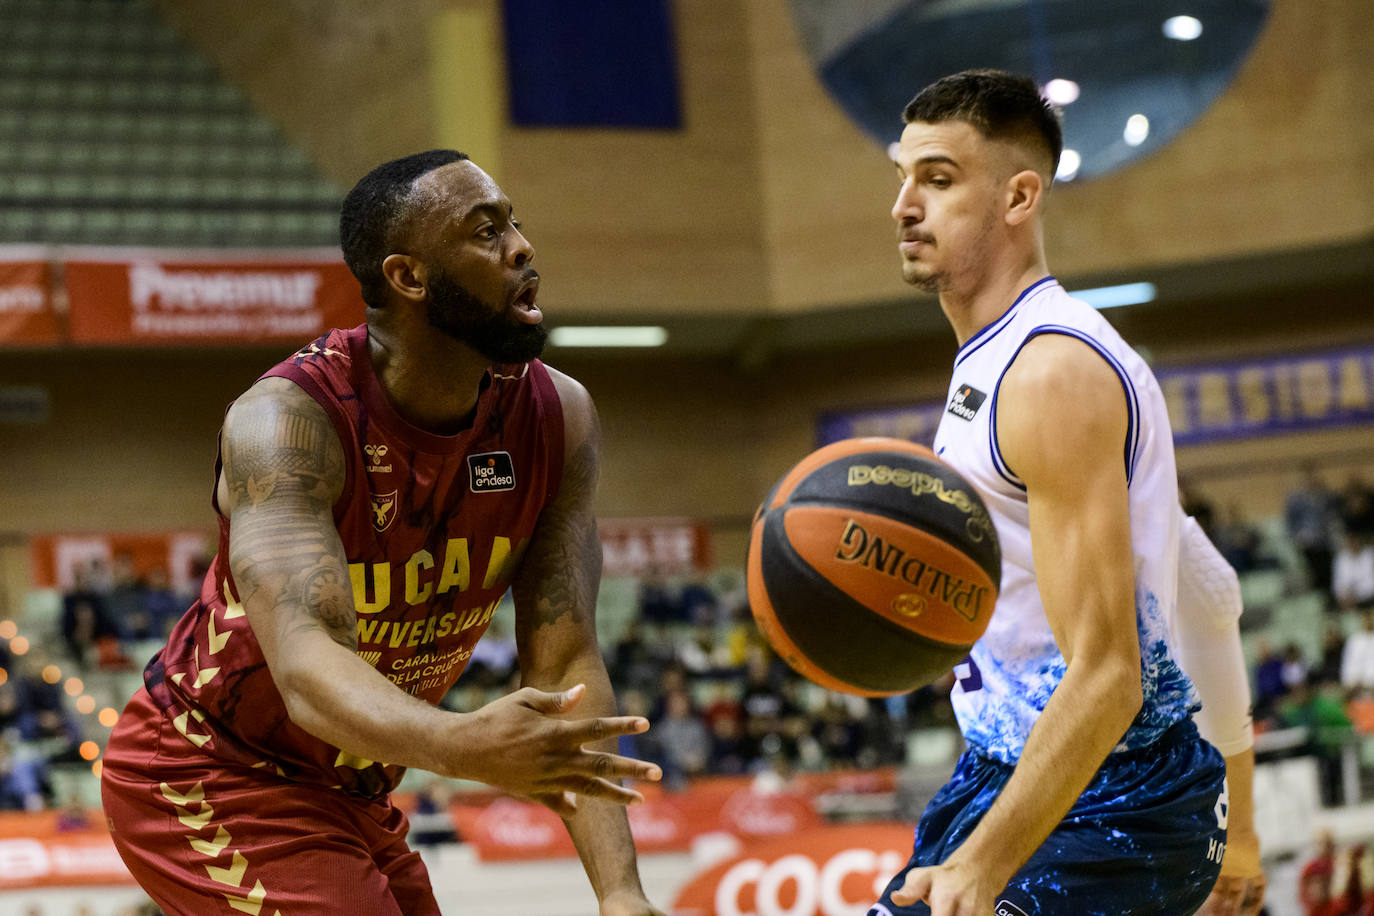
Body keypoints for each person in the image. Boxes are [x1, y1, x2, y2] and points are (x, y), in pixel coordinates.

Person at [101, 150, 666, 915]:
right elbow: (307, 671)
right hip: (207, 767)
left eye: (515, 222)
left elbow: (563, 662)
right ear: (408, 277)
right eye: (486, 230)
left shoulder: (557, 416)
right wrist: (463, 744)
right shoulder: (289, 422)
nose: (523, 246)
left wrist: (622, 894)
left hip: (350, 787)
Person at [872, 70, 1260, 915]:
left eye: (937, 180)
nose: (904, 204)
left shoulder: (1050, 372)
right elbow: (1202, 585)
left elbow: (1112, 676)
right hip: (1010, 772)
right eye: (901, 178)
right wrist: (1249, 832)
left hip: (1118, 795)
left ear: (1019, 197)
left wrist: (983, 867)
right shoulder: (996, 360)